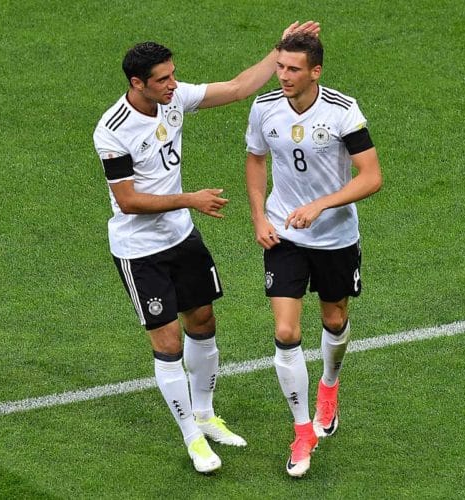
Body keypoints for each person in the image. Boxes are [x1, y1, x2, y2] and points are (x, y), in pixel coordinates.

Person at [92, 21, 320, 474]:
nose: (173, 84)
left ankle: (205, 414)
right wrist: (190, 199)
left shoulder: (173, 100)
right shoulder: (112, 130)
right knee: (168, 340)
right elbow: (128, 200)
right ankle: (192, 438)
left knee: (203, 320)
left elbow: (237, 88)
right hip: (139, 250)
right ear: (137, 83)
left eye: (173, 75)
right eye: (162, 79)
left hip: (181, 237)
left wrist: (278, 51)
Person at [244, 32, 382, 477]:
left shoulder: (343, 111)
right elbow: (255, 159)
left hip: (335, 237)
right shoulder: (264, 108)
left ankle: (329, 386)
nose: (283, 76)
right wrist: (260, 218)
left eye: (293, 69)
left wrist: (321, 205)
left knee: (335, 320)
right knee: (286, 331)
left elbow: (371, 176)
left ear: (315, 71)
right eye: (280, 67)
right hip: (284, 234)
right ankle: (302, 431)